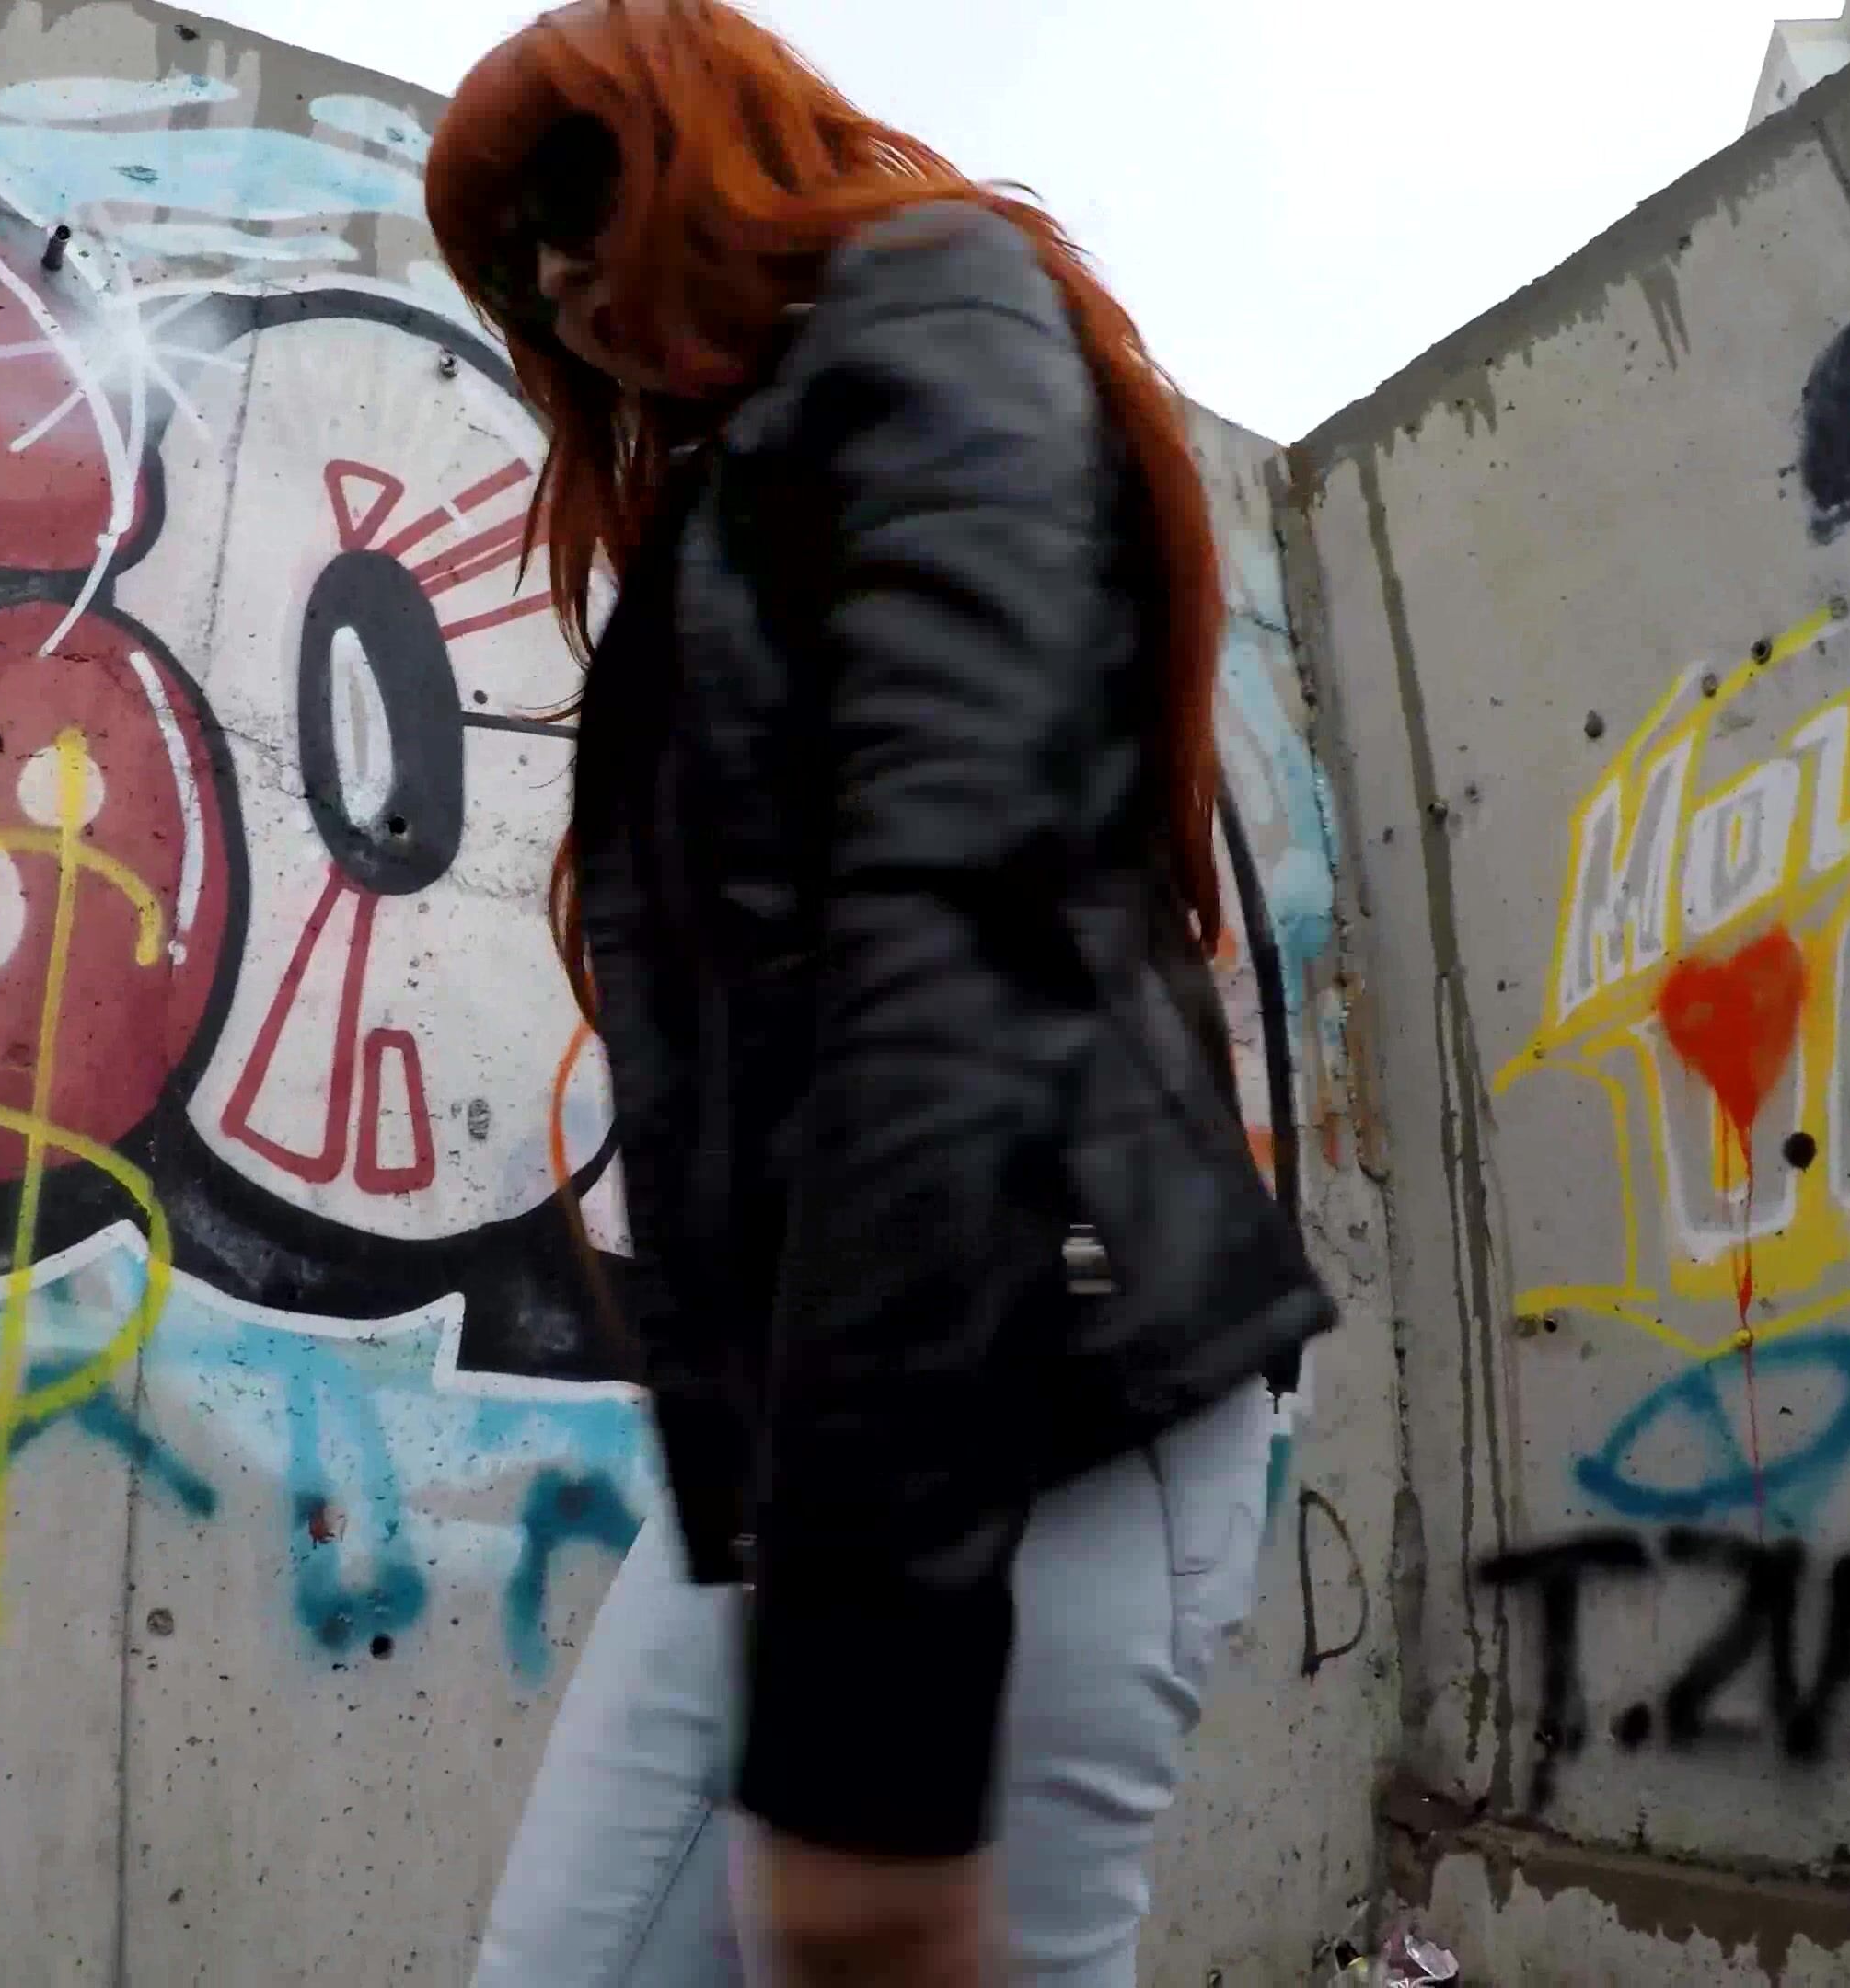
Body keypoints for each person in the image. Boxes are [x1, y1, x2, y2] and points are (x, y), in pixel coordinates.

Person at [423, 6, 1340, 1985]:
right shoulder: (750, 487)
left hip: (1039, 1409)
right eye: (515, 262)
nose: (558, 280)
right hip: (839, 1454)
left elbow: (963, 924)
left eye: (576, 193)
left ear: (724, 132)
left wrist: (871, 1722)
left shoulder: (934, 308)